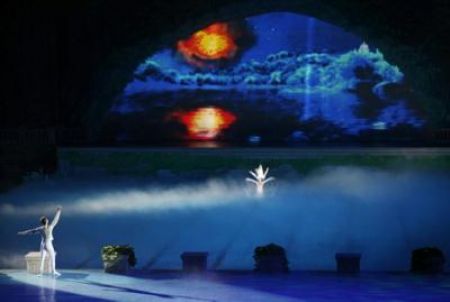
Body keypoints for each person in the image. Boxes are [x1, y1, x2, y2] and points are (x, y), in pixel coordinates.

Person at [18, 206, 62, 276]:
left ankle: (41, 273)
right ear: (46, 221)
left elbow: (31, 231)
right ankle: (53, 271)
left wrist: (22, 232)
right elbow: (55, 220)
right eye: (47, 219)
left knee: (42, 258)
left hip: (43, 244)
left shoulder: (40, 228)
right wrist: (58, 212)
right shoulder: (50, 227)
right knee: (52, 256)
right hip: (48, 243)